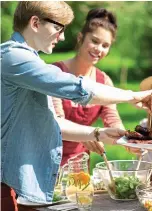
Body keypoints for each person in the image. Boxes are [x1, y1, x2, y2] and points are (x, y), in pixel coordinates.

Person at [1, 2, 152, 208]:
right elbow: (76, 88)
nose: (62, 36)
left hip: (20, 179)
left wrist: (98, 134)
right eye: (58, 28)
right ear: (35, 23)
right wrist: (132, 96)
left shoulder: (29, 62)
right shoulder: (15, 58)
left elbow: (54, 123)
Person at [52, 8, 125, 166]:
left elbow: (112, 119)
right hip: (47, 157)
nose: (99, 49)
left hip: (79, 164)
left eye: (105, 45)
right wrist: (88, 135)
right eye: (94, 41)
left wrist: (129, 140)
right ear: (80, 38)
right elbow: (55, 122)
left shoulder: (103, 81)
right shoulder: (55, 74)